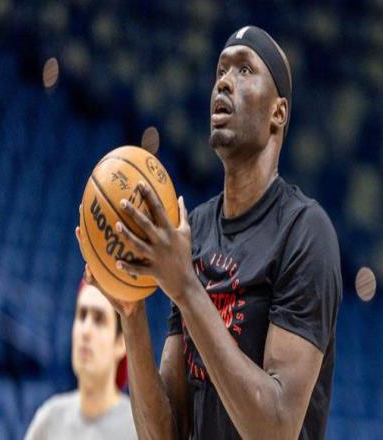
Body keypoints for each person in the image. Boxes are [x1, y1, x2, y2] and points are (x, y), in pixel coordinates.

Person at [77, 25, 342, 439]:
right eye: (221, 70)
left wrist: (185, 287)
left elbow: (276, 429)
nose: (223, 82)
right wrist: (131, 314)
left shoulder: (305, 231)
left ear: (278, 113)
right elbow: (165, 434)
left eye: (244, 70)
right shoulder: (195, 229)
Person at [25, 280, 137, 439]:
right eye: (82, 315)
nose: (85, 330)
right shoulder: (49, 420)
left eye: (99, 319)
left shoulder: (138, 430)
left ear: (121, 342)